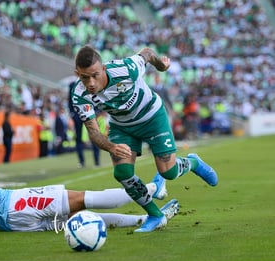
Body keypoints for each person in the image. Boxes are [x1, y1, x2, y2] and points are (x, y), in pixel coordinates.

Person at [0, 128, 179, 232]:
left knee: (78, 221)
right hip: (14, 203)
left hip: (10, 225)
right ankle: (155, 188)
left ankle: (148, 221)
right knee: (83, 198)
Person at [70, 45, 218, 233]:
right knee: (122, 173)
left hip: (152, 117)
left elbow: (146, 53)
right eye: (84, 77)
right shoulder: (79, 94)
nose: (90, 83)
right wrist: (111, 147)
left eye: (95, 75)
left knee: (169, 172)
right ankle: (156, 215)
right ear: (77, 73)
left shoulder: (125, 69)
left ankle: (193, 163)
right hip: (122, 127)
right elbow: (93, 131)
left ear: (104, 69)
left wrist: (160, 66)